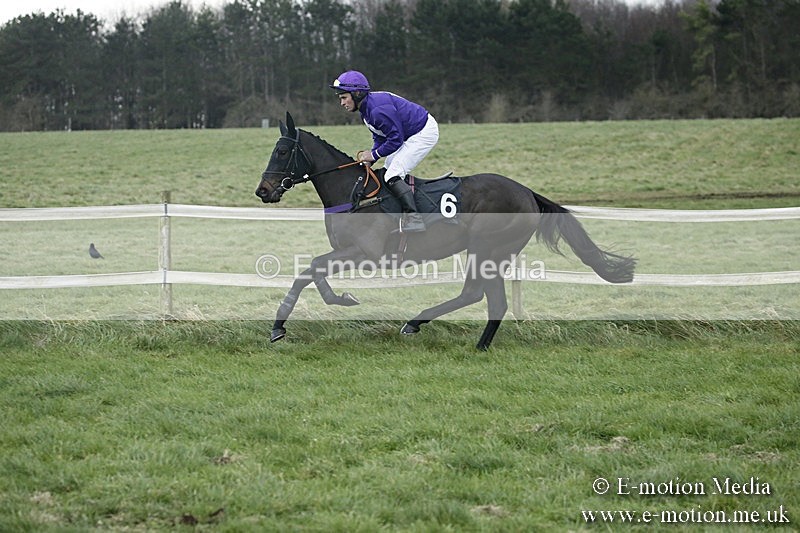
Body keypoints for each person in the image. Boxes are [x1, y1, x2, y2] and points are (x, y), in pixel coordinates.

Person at [329, 70, 439, 233]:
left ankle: (415, 218)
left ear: (357, 93)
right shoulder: (366, 110)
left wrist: (373, 155)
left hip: (422, 132)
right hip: (408, 133)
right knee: (388, 170)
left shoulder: (376, 111)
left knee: (392, 174)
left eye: (344, 97)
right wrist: (372, 158)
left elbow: (395, 139)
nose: (342, 103)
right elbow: (381, 137)